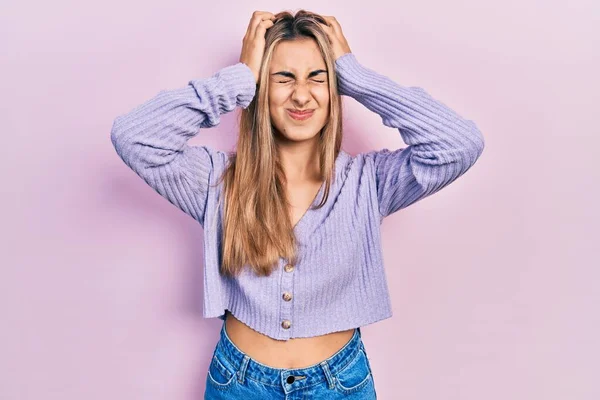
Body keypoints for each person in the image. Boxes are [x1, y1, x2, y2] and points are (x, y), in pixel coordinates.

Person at [110, 9, 485, 399]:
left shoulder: (370, 182)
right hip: (239, 384)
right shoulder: (216, 181)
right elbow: (134, 137)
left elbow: (459, 144)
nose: (301, 95)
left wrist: (357, 78)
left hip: (340, 384)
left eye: (317, 77)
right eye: (283, 78)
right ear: (261, 86)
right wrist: (238, 78)